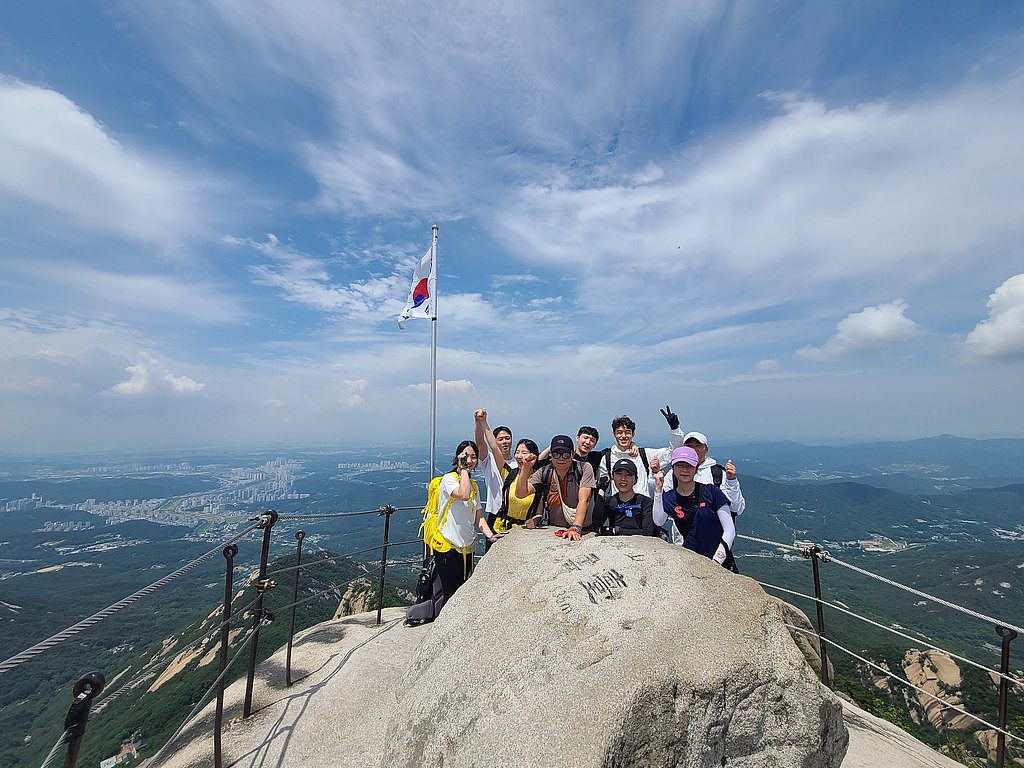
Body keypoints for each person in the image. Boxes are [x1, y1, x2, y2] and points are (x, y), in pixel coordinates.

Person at [434, 440, 500, 601]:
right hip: (448, 547)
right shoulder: (449, 479)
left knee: (464, 594)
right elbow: (463, 494)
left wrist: (491, 537)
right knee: (451, 595)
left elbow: (479, 518)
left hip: (468, 547)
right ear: (457, 458)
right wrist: (463, 469)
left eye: (473, 457)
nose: (469, 461)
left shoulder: (473, 486)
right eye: (465, 456)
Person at [654, 407, 746, 519]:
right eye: (689, 446)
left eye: (698, 446)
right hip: (682, 533)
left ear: (706, 449)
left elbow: (736, 508)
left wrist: (731, 481)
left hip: (714, 533)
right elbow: (664, 509)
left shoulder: (718, 473)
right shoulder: (674, 474)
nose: (694, 449)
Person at [654, 446, 737, 571]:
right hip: (691, 561)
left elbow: (729, 529)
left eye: (689, 466)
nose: (684, 470)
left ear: (696, 468)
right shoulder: (669, 498)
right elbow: (658, 521)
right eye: (680, 465)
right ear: (673, 468)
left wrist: (717, 560)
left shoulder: (712, 492)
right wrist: (658, 491)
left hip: (721, 562)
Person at [526, 435, 597, 541]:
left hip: (583, 529)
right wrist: (525, 469)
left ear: (573, 454)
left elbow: (584, 499)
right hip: (554, 528)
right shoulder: (545, 472)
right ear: (551, 455)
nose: (561, 458)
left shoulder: (583, 468)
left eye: (566, 454)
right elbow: (521, 493)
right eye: (556, 454)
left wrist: (576, 528)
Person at [596, 415, 674, 498]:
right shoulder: (607, 458)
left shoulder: (644, 454)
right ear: (614, 434)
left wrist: (675, 429)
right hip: (618, 507)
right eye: (619, 432)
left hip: (643, 507)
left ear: (633, 434)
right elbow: (600, 481)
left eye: (627, 432)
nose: (623, 436)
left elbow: (672, 454)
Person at [474, 409, 517, 529]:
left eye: (507, 438)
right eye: (500, 439)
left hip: (515, 513)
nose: (504, 442)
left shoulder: (518, 463)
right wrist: (478, 421)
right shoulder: (489, 460)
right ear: (495, 441)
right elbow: (480, 443)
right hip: (495, 512)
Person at [593, 458, 657, 536]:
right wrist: (602, 490)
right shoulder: (610, 502)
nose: (623, 479)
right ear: (613, 477)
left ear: (635, 479)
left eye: (629, 475)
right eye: (619, 474)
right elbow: (597, 524)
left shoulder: (645, 502)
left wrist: (616, 531)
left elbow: (648, 531)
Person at [493, 438, 542, 534]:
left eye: (524, 453)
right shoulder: (509, 474)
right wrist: (482, 423)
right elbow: (494, 448)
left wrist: (534, 521)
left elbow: (539, 513)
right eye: (517, 452)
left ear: (532, 456)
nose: (519, 456)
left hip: (525, 532)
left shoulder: (538, 479)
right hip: (501, 529)